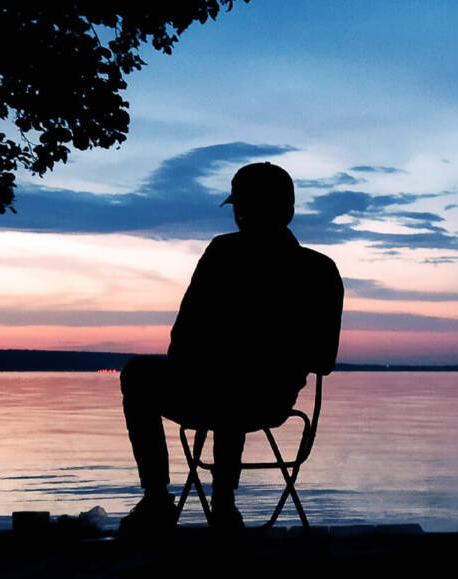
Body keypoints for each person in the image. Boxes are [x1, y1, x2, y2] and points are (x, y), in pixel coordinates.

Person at [119, 162, 343, 534]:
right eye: (241, 209)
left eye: (246, 208)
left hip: (235, 395)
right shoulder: (320, 269)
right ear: (289, 211)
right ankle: (218, 505)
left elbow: (183, 338)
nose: (241, 217)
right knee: (218, 381)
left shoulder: (223, 253)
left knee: (157, 377)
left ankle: (163, 499)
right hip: (266, 398)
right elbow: (324, 361)